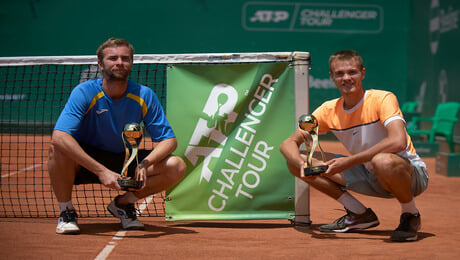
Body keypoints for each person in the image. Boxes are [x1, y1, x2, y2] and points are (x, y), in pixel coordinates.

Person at [280, 50, 428, 242]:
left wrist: (349, 162)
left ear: (363, 73)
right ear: (331, 77)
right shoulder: (328, 109)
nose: (346, 78)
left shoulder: (382, 98)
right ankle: (359, 214)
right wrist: (303, 167)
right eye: (339, 74)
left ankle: (410, 215)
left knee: (381, 160)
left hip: (409, 175)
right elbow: (288, 143)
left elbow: (397, 141)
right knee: (297, 157)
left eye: (352, 72)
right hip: (368, 173)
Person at [48, 37, 186, 234]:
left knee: (176, 166)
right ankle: (66, 211)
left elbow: (169, 140)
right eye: (113, 58)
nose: (119, 63)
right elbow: (59, 136)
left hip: (126, 160)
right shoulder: (84, 92)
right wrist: (101, 171)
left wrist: (144, 164)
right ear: (100, 63)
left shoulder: (144, 95)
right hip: (87, 161)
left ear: (131, 63)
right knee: (58, 149)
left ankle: (123, 204)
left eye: (125, 58)